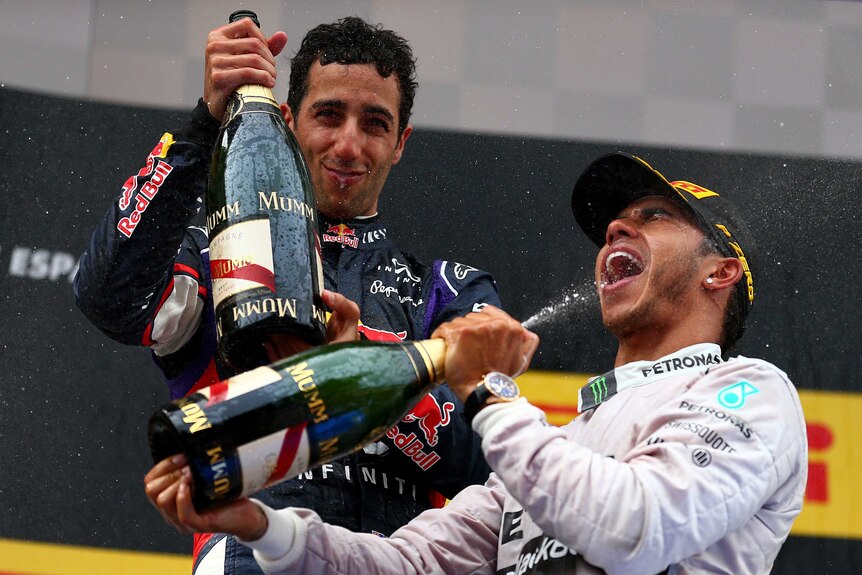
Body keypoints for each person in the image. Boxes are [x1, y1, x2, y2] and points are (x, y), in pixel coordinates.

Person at [146, 152, 808, 574]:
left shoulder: (752, 393)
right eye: (614, 222)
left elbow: (631, 525)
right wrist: (260, 524)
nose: (615, 230)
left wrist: (485, 390)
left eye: (655, 215)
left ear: (720, 271)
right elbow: (403, 564)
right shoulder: (557, 445)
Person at [74, 15, 500, 574]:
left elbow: (491, 467)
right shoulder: (218, 257)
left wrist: (361, 367)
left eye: (374, 123)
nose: (349, 145)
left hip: (400, 561)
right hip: (247, 556)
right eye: (328, 115)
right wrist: (205, 125)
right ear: (287, 120)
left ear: (401, 143)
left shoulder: (448, 290)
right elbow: (108, 295)